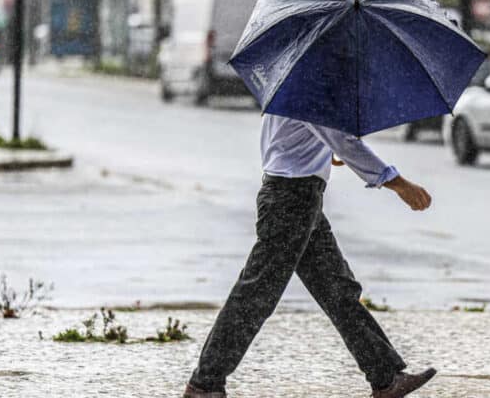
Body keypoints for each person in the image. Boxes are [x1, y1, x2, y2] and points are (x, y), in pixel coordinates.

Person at [184, 114, 436, 398]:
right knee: (256, 295)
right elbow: (344, 142)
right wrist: (398, 183)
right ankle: (205, 384)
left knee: (338, 290)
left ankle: (386, 378)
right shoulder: (313, 93)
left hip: (298, 198)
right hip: (292, 200)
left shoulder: (294, 93)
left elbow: (292, 141)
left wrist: (321, 151)